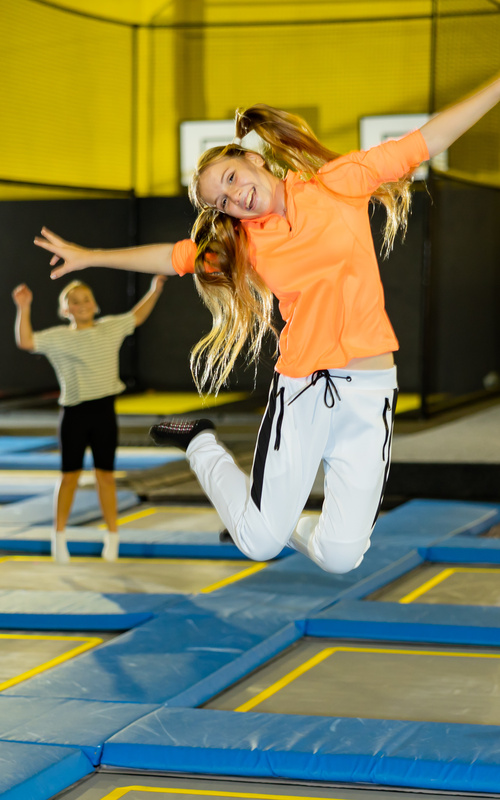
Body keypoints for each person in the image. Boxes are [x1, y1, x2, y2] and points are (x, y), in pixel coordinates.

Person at [34, 73, 500, 573]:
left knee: (341, 556)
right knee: (258, 543)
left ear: (254, 159)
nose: (234, 198)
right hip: (303, 387)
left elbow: (428, 138)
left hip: (369, 392)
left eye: (231, 179)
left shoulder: (338, 183)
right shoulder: (246, 244)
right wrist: (90, 256)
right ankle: (200, 442)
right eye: (221, 201)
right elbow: (172, 258)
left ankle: (278, 523)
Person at [12, 276, 166, 563]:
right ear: (65, 310)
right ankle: (59, 536)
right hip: (74, 414)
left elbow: (137, 316)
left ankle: (113, 535)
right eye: (74, 302)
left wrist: (154, 290)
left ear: (95, 305)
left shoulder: (110, 327)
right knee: (69, 476)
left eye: (86, 300)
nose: (81, 305)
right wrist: (24, 307)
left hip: (104, 412)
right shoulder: (59, 337)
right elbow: (26, 340)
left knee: (105, 476)